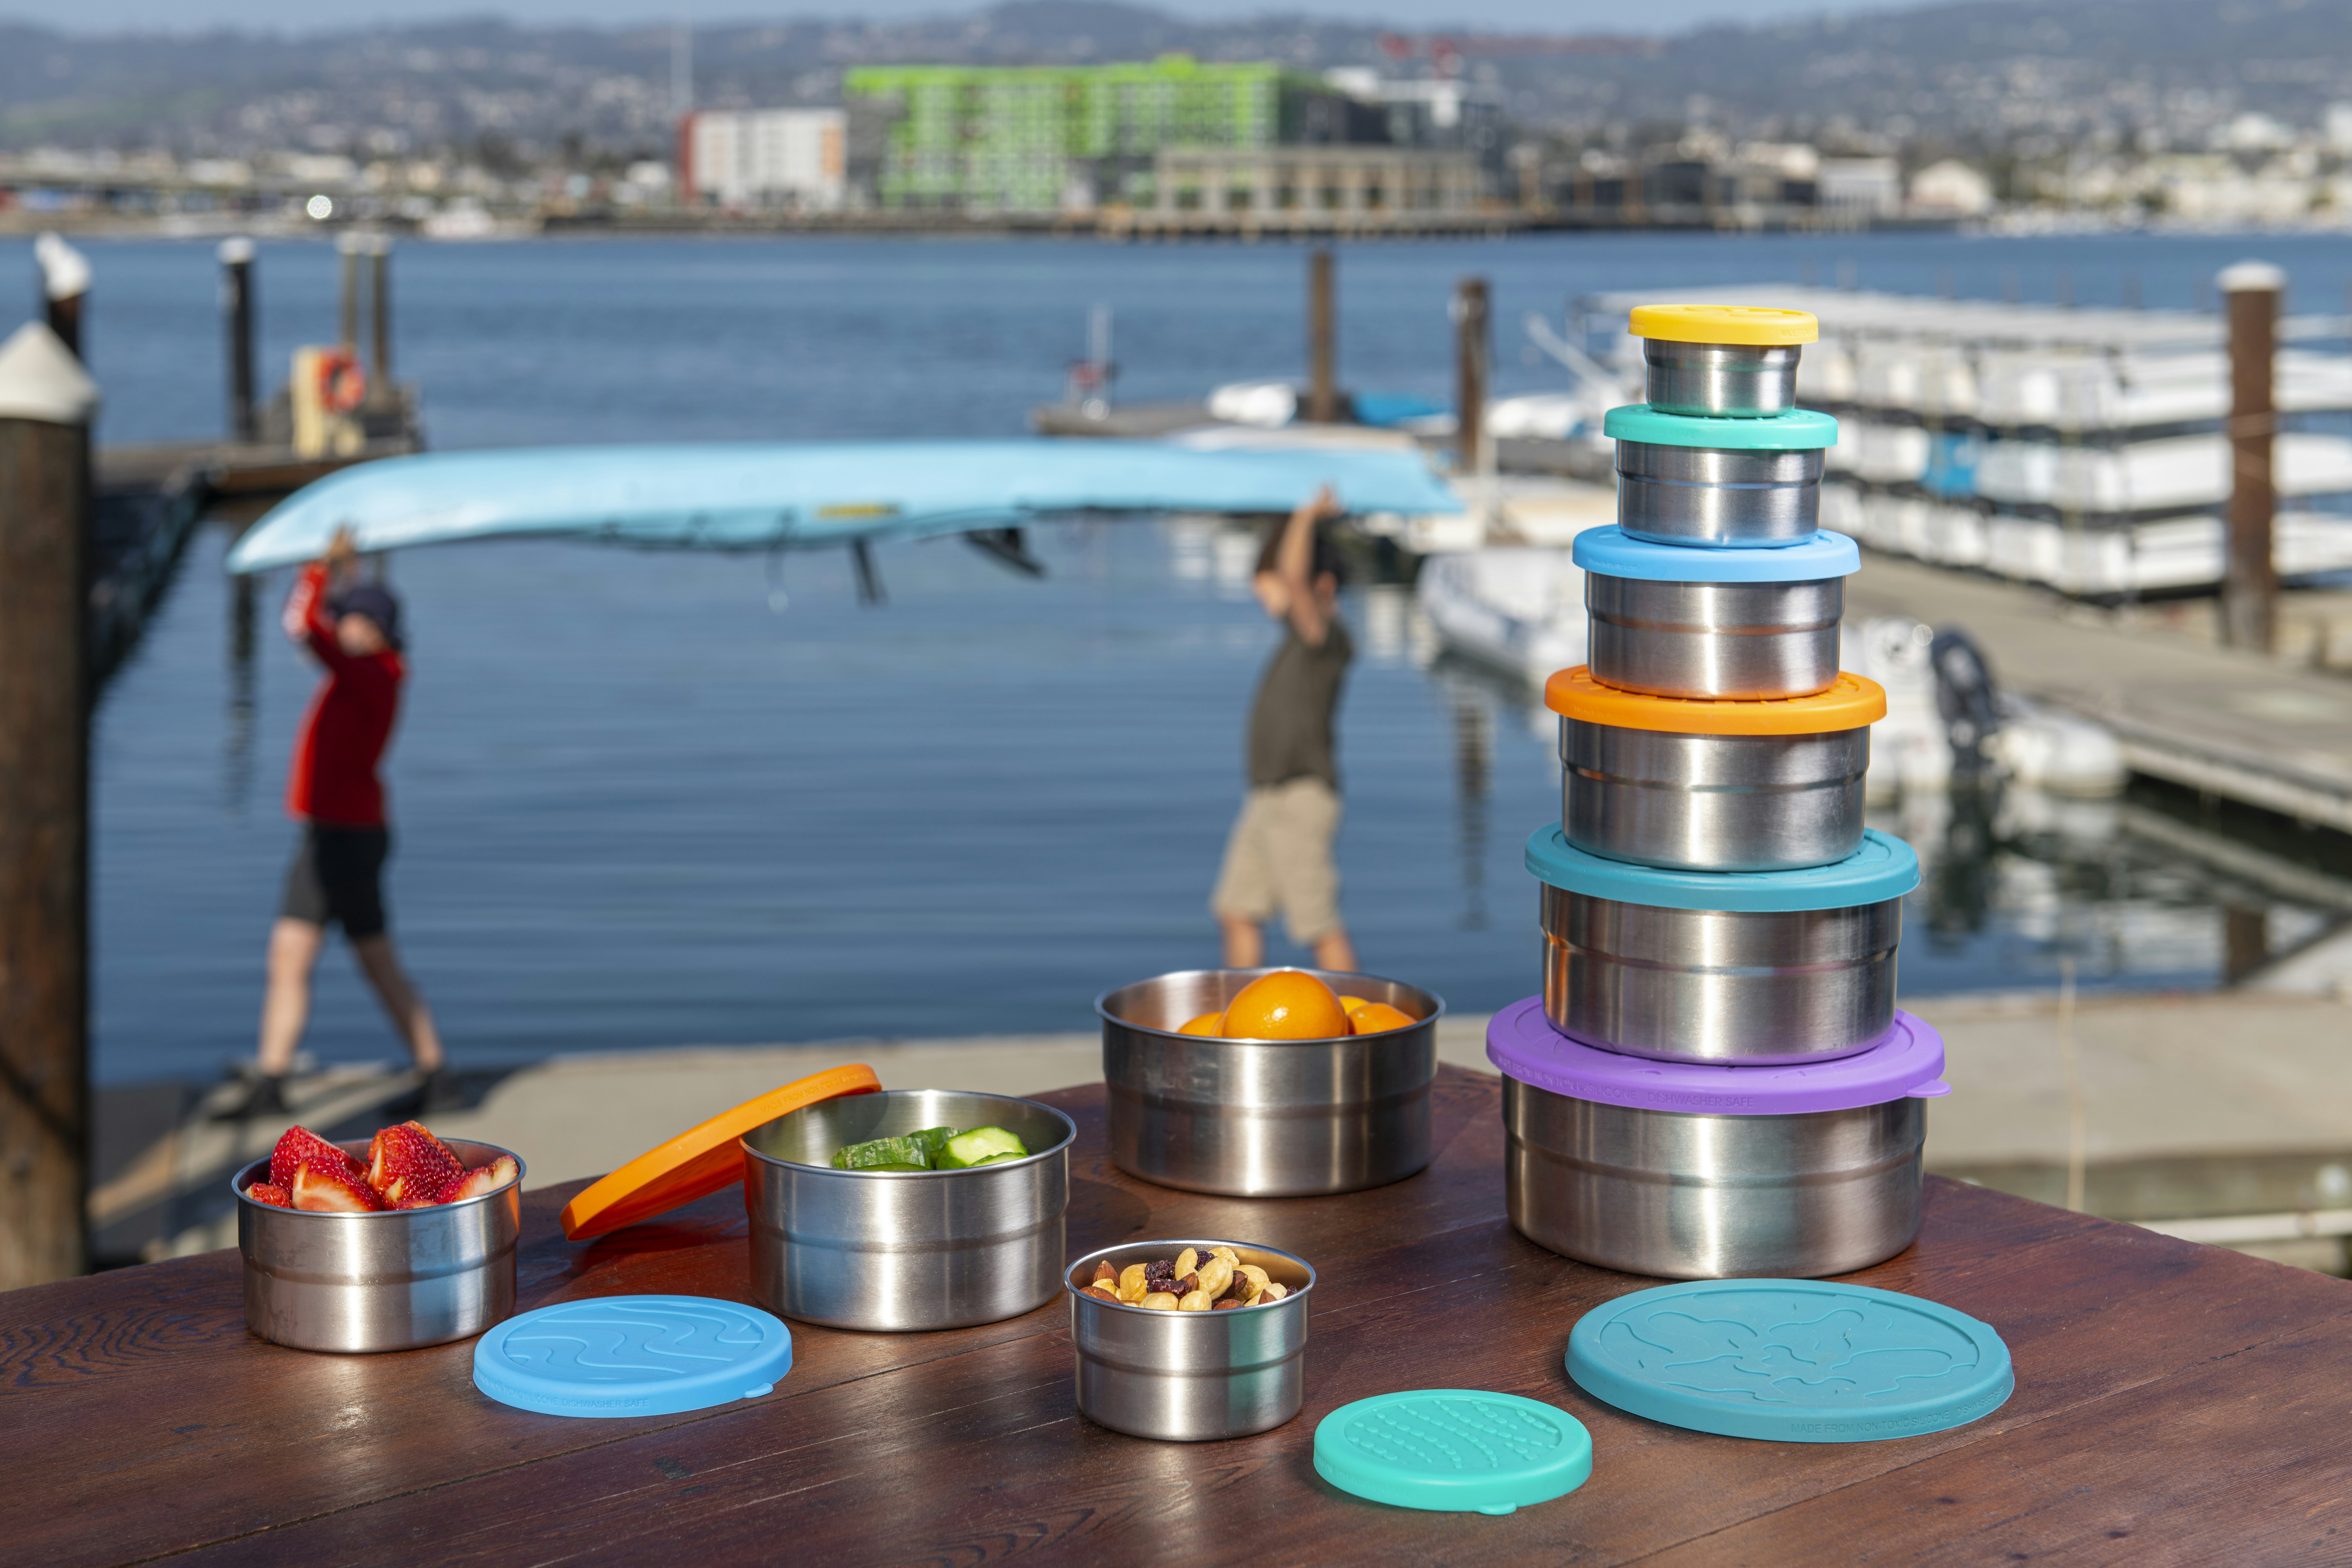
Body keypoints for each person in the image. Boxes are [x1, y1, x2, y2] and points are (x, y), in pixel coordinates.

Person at [216, 528, 448, 1119]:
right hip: (328, 835)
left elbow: (301, 625)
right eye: (345, 619)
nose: (345, 626)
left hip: (349, 840)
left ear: (379, 630)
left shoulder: (371, 674)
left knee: (374, 960)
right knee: (291, 955)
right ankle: (273, 1081)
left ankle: (436, 1072)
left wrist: (319, 569)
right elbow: (320, 627)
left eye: (358, 621)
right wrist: (344, 573)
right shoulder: (365, 671)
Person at [1210, 486, 1360, 974]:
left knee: (1319, 924)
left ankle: (1353, 1017)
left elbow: (1292, 578)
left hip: (1301, 797)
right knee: (1236, 910)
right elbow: (1278, 581)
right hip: (1267, 795)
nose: (1273, 595)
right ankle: (1240, 1011)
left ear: (1324, 586)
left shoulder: (1326, 639)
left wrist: (1305, 515)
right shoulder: (1299, 641)